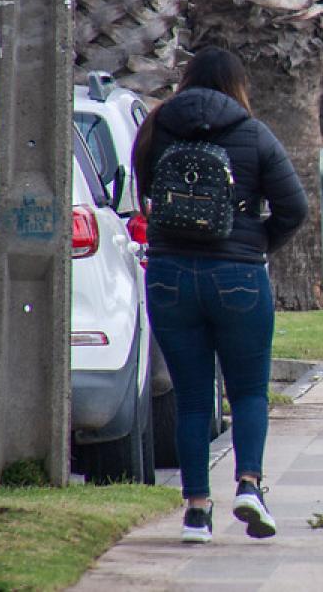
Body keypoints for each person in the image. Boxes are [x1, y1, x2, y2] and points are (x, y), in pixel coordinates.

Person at [131, 46, 308, 544]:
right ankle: (249, 484)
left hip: (169, 274)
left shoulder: (156, 128)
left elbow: (146, 195)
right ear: (237, 85)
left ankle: (196, 511)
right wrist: (255, 242)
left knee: (191, 398)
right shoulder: (253, 133)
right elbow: (294, 207)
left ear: (186, 79)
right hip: (238, 277)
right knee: (248, 391)